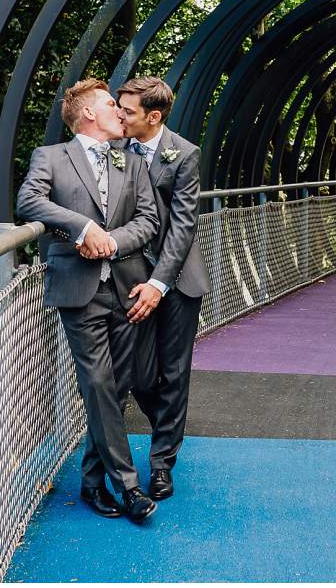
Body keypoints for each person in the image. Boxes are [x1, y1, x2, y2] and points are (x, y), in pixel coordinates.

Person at [16, 78, 160, 523]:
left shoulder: (131, 160)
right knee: (98, 382)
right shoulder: (52, 157)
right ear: (88, 114)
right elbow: (28, 200)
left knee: (117, 388)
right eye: (111, 105)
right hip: (79, 290)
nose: (121, 112)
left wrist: (110, 242)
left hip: (127, 286)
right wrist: (81, 228)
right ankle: (130, 487)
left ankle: (93, 483)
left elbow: (149, 218)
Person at [117, 76, 210, 501]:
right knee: (136, 371)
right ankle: (169, 428)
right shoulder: (114, 149)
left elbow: (184, 226)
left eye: (128, 110)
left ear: (153, 117)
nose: (119, 115)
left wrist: (159, 283)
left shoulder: (184, 154)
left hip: (176, 280)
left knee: (174, 372)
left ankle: (161, 464)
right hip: (129, 277)